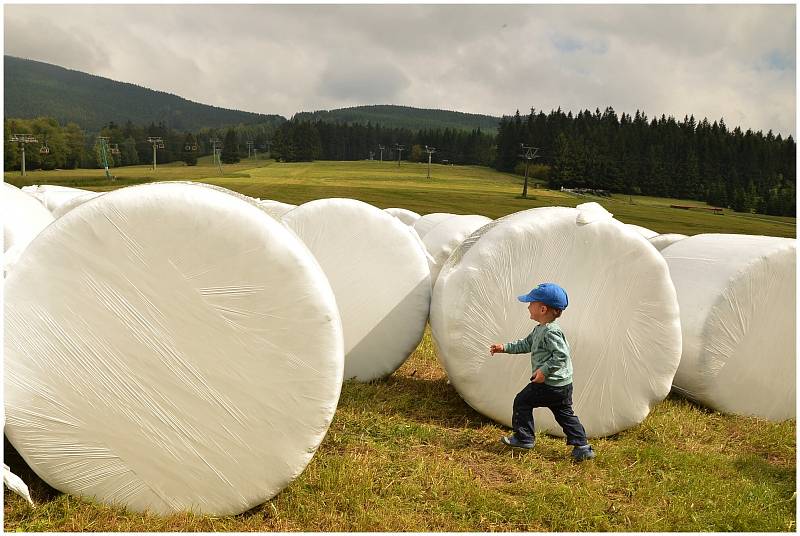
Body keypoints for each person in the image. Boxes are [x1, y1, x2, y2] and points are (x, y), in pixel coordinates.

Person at [489, 283, 596, 462]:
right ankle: (582, 447)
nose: (528, 306)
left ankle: (524, 438)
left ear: (543, 308)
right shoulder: (540, 329)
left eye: (531, 302)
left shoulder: (551, 332)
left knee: (522, 401)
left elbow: (561, 356)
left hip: (549, 385)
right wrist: (504, 347)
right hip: (561, 385)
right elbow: (526, 344)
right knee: (564, 413)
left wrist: (544, 372)